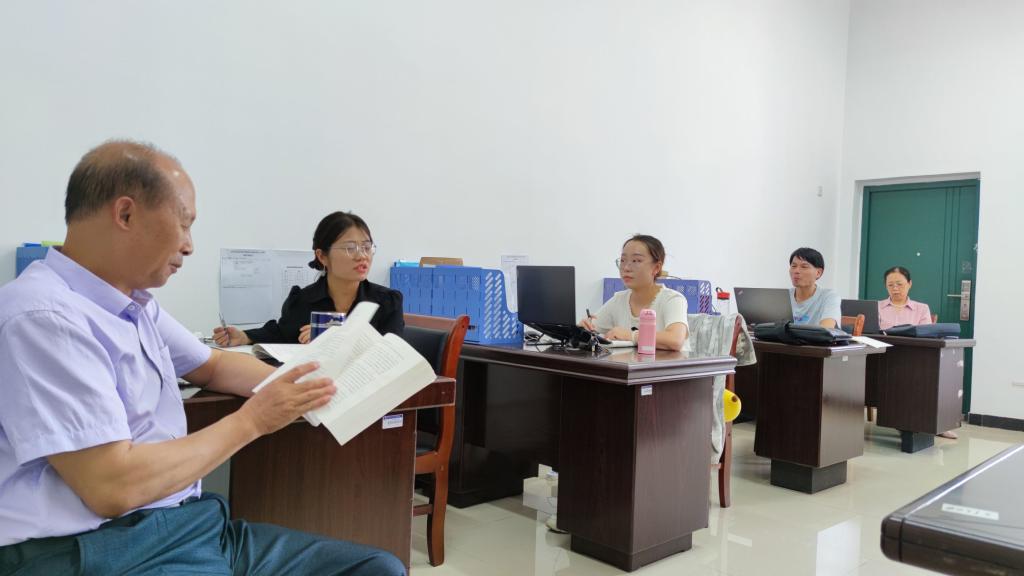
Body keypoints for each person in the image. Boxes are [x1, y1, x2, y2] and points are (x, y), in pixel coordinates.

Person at [0, 141, 406, 575]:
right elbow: (112, 487)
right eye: (184, 224)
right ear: (126, 214)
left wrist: (313, 386)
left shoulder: (135, 305)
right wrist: (252, 421)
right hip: (100, 545)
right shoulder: (43, 315)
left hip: (185, 524)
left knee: (379, 568)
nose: (190, 246)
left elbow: (212, 366)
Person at [213, 211, 403, 346]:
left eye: (367, 247)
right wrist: (244, 336)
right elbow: (281, 333)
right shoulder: (303, 300)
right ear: (322, 256)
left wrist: (332, 336)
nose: (362, 256)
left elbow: (392, 352)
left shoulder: (387, 301)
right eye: (350, 248)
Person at [876, 266, 955, 439]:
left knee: (927, 377)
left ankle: (934, 424)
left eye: (899, 284)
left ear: (909, 284)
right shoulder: (877, 307)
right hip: (883, 357)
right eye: (890, 285)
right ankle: (901, 420)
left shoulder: (921, 308)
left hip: (913, 358)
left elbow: (927, 335)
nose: (895, 289)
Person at [580, 234, 688, 351]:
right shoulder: (619, 300)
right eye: (623, 260)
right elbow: (590, 329)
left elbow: (675, 340)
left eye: (636, 261)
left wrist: (630, 335)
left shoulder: (672, 299)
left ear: (656, 268)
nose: (626, 268)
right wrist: (582, 330)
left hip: (666, 363)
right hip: (633, 362)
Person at [788, 247, 841, 329]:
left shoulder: (829, 297)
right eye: (793, 266)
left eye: (804, 267)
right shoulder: (783, 296)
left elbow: (826, 329)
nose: (796, 271)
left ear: (818, 273)